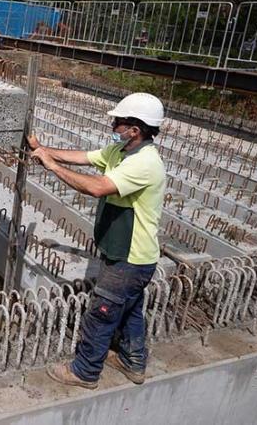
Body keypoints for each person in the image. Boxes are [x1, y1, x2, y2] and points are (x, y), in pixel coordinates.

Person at [28, 92, 166, 389]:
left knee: (101, 313)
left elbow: (98, 187)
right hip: (122, 253)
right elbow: (84, 157)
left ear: (135, 129)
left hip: (130, 259)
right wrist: (43, 150)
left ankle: (85, 371)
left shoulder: (144, 163)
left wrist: (52, 167)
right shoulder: (122, 151)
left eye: (119, 122)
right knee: (129, 312)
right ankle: (133, 362)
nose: (113, 126)